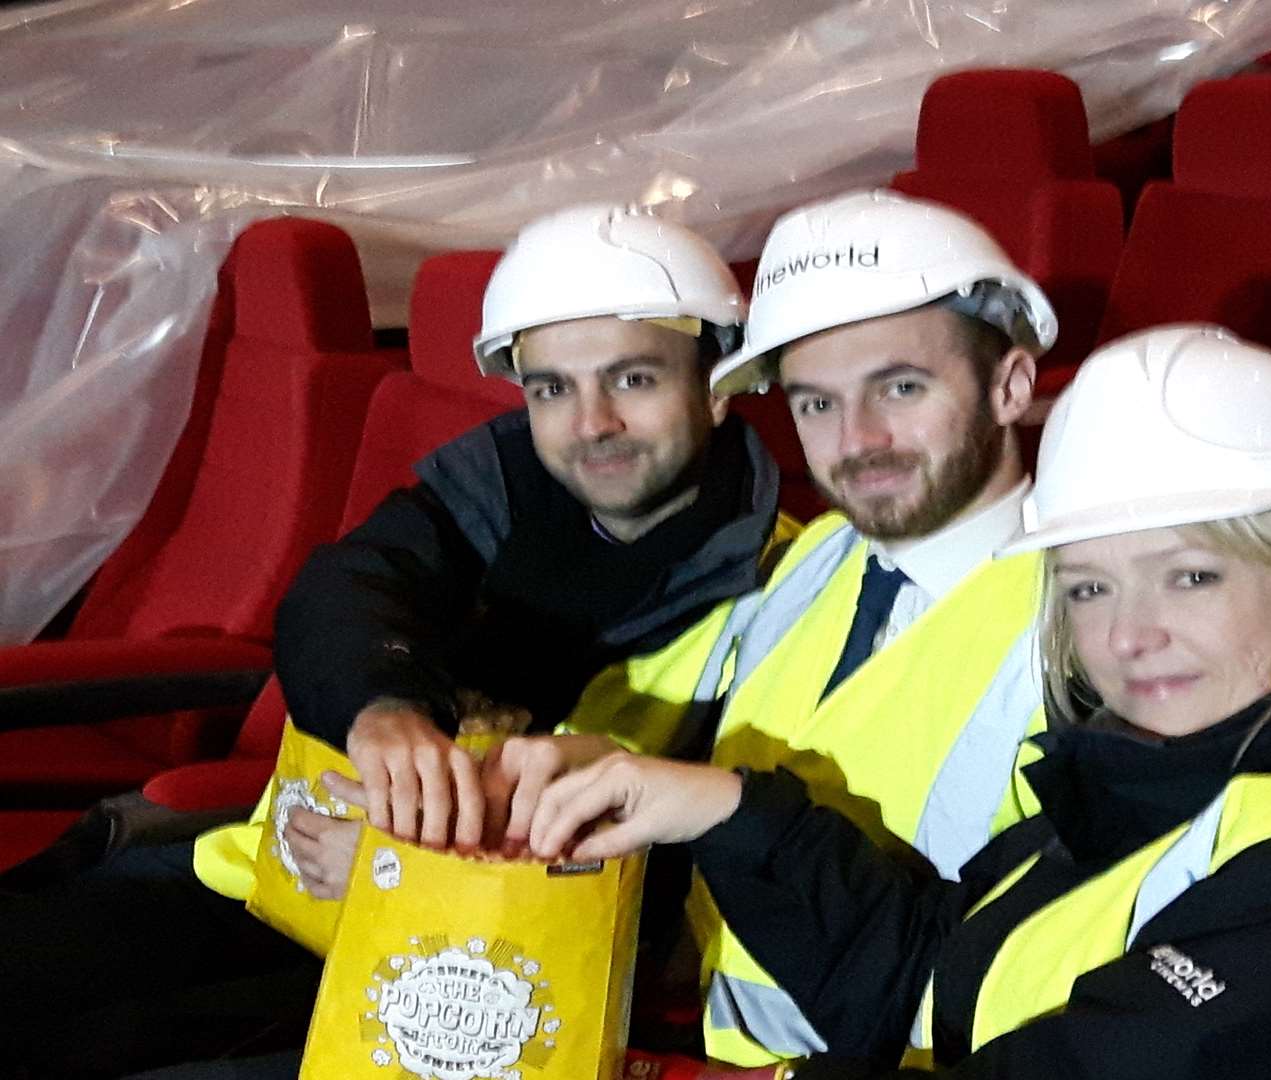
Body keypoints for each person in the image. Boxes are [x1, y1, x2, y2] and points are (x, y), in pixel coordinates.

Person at [521, 325, 1271, 1079]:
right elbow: (950, 971)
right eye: (1087, 586)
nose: (1128, 635)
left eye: (1192, 574)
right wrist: (721, 810)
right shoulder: (1187, 770)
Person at [0, 203, 792, 1080]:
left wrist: (414, 878)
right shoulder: (489, 489)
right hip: (270, 880)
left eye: (634, 380)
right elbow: (347, 590)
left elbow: (730, 877)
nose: (591, 422)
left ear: (719, 386)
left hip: (477, 984)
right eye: (552, 389)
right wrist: (382, 706)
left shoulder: (787, 590)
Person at [535, 189, 1059, 1066]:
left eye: (899, 387)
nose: (858, 441)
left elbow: (1033, 975)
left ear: (1010, 384)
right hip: (708, 1048)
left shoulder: (1103, 630)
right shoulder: (817, 556)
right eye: (816, 404)